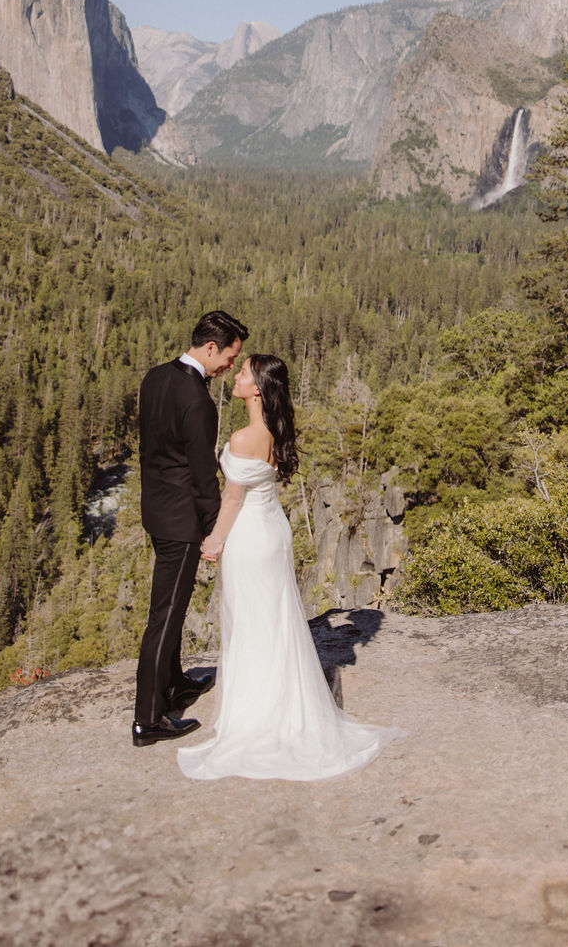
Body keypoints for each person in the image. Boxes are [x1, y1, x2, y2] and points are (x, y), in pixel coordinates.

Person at [177, 353, 402, 781]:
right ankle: (282, 706)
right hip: (272, 531)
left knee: (249, 620)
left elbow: (232, 499)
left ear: (257, 388)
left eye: (242, 372)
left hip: (248, 535)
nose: (235, 376)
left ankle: (258, 716)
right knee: (273, 620)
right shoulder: (275, 430)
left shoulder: (245, 437)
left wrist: (214, 542)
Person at [132, 309, 249, 747]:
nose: (230, 368)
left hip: (156, 509)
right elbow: (203, 476)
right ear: (212, 347)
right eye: (230, 358)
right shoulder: (197, 401)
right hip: (181, 521)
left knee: (172, 610)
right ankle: (148, 718)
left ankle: (177, 682)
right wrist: (215, 529)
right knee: (164, 617)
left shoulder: (155, 377)